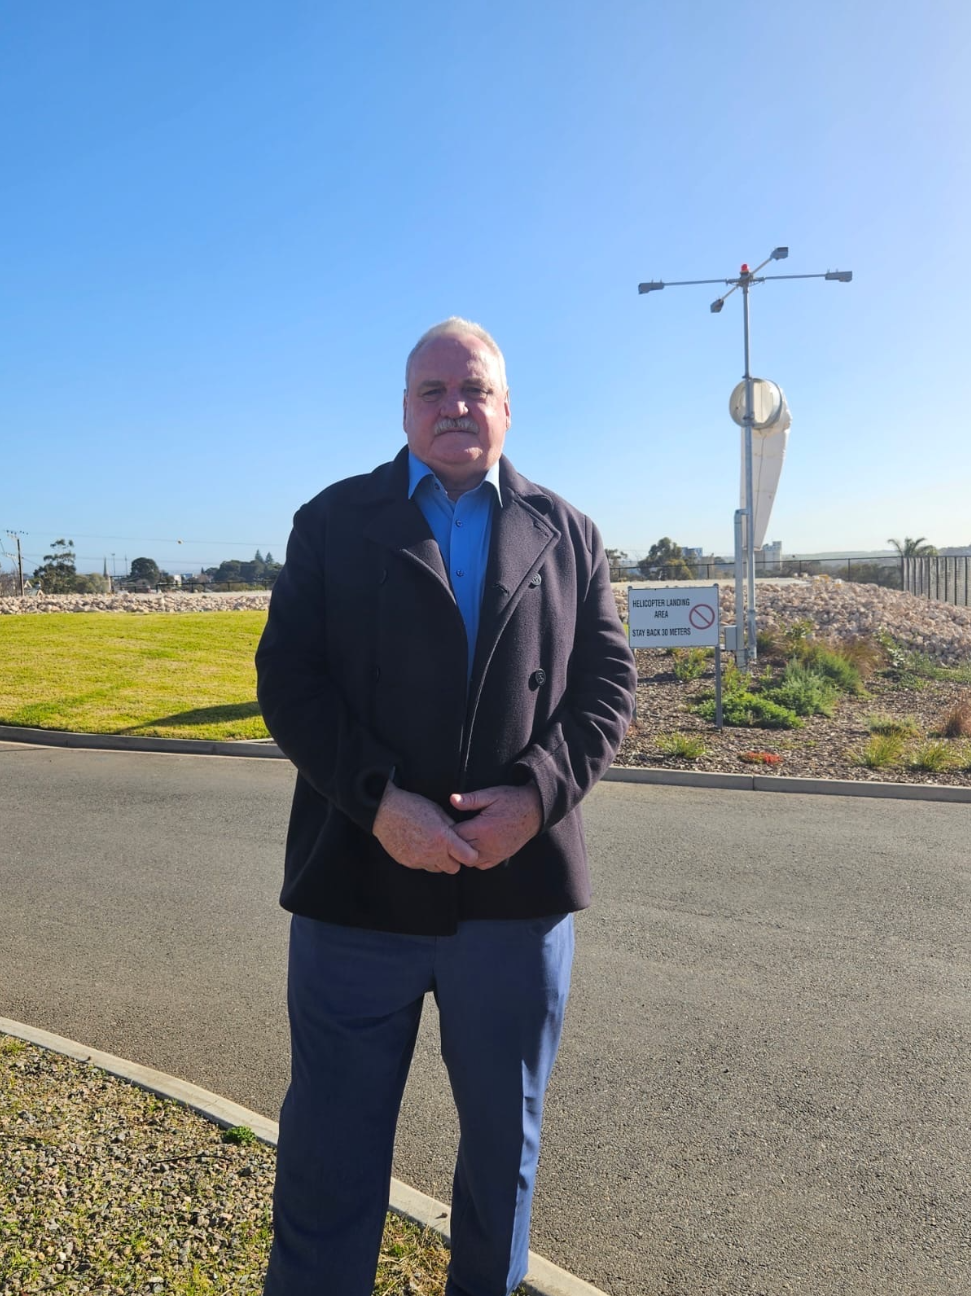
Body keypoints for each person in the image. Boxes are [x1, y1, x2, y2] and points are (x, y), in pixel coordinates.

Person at [256, 317, 636, 1296]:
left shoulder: (569, 533)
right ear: (403, 411)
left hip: (513, 899)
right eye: (432, 391)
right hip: (356, 895)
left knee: (502, 1159)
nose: (453, 407)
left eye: (473, 390)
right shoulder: (332, 522)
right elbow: (288, 681)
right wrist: (379, 803)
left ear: (506, 409)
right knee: (327, 1153)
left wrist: (536, 798)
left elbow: (605, 690)